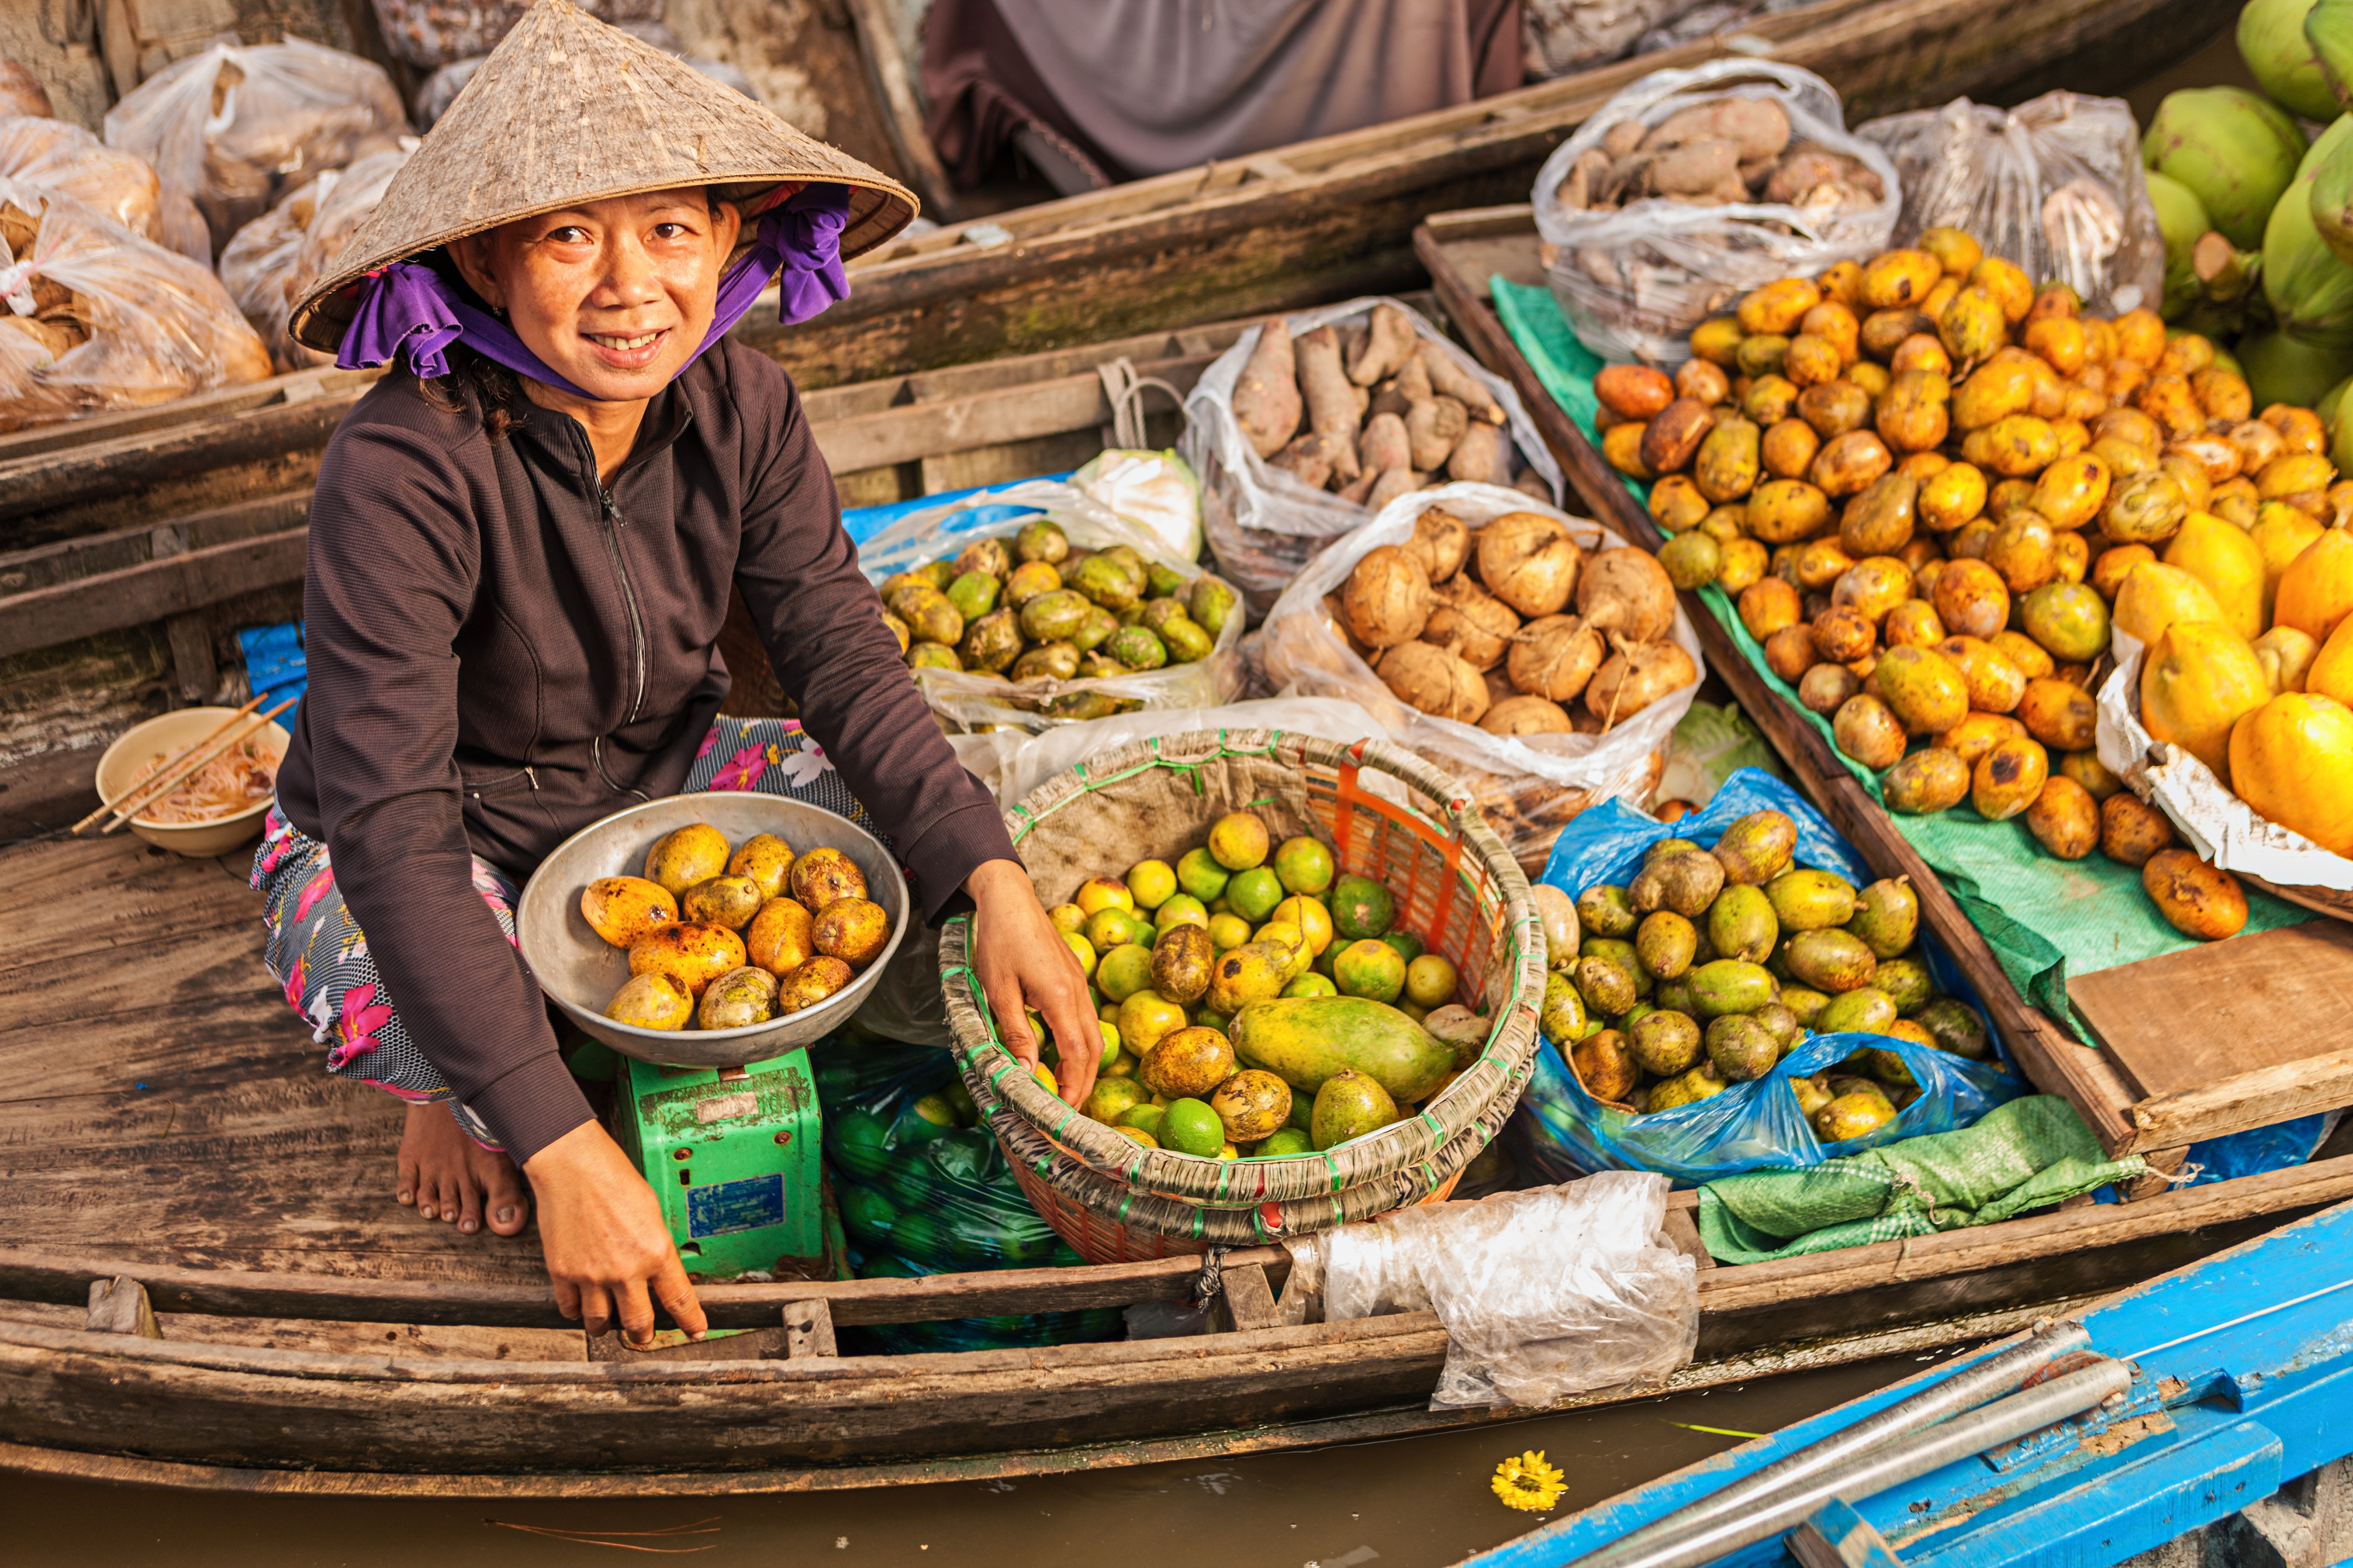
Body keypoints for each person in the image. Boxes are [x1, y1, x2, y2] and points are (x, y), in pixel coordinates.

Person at [259, 0, 1098, 1348]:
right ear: (482, 261)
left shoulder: (745, 408)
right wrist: (562, 1150)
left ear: (727, 237)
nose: (627, 286)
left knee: (922, 833)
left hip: (657, 784)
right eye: (566, 236)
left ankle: (504, 1072)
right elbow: (393, 826)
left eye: (667, 229)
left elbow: (841, 651)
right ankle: (455, 1090)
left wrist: (993, 878)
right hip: (435, 834)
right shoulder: (403, 468)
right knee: (408, 979)